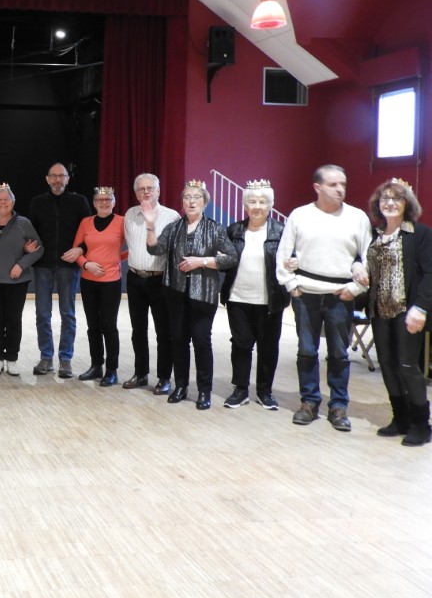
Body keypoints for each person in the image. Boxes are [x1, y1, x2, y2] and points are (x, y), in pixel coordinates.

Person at [276, 164, 371, 432]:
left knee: (339, 353)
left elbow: (369, 257)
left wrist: (355, 289)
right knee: (307, 350)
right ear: (317, 187)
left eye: (343, 184)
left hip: (340, 295)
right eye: (333, 184)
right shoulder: (300, 215)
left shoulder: (357, 217)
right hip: (306, 294)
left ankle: (338, 405)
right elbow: (283, 253)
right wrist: (291, 284)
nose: (340, 189)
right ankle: (309, 402)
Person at [146, 180, 237, 410]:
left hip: (203, 294)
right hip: (175, 292)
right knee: (178, 340)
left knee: (201, 341)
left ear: (205, 202)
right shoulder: (173, 228)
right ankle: (181, 386)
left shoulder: (215, 228)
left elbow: (231, 258)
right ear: (182, 203)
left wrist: (202, 261)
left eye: (197, 197)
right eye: (187, 197)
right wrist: (150, 226)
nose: (191, 201)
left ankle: (204, 391)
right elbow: (154, 249)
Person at [364, 178, 432, 446]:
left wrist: (421, 308)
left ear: (407, 204)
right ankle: (400, 418)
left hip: (409, 311)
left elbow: (430, 273)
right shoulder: (375, 234)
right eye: (385, 198)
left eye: (397, 198)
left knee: (407, 366)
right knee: (388, 365)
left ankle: (421, 424)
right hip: (379, 311)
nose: (390, 203)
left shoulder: (420, 233)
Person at [219, 180, 289, 410]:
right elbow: (226, 261)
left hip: (270, 299)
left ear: (270, 205)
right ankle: (240, 389)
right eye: (252, 201)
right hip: (238, 297)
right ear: (245, 205)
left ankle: (265, 391)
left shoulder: (282, 231)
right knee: (241, 344)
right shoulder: (234, 230)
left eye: (262, 201)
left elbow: (291, 260)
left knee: (268, 346)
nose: (257, 206)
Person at [28, 163, 91, 379]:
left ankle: (65, 359)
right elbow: (31, 232)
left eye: (61, 176)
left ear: (67, 179)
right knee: (42, 314)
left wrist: (80, 249)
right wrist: (28, 246)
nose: (57, 180)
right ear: (47, 179)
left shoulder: (80, 202)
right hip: (42, 265)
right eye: (53, 176)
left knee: (68, 314)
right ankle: (46, 357)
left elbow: (88, 233)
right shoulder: (37, 202)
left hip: (68, 266)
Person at [0, 183, 42, 376]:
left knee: (13, 320)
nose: (3, 202)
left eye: (6, 199)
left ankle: (11, 358)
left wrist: (21, 264)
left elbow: (38, 249)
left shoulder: (24, 223)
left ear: (13, 202)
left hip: (16, 282)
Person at [122, 173, 180, 393]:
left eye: (150, 188)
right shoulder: (130, 214)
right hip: (135, 278)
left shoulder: (171, 216)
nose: (146, 192)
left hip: (160, 279)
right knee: (138, 330)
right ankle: (140, 374)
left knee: (164, 331)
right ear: (136, 193)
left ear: (158, 191)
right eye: (141, 189)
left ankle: (164, 377)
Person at [72, 186, 126, 387]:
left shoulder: (121, 222)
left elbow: (134, 247)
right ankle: (96, 365)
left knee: (109, 326)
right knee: (93, 325)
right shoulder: (86, 222)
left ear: (114, 202)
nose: (104, 202)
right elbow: (76, 249)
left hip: (111, 281)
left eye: (108, 199)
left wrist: (116, 260)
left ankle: (112, 370)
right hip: (88, 280)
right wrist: (86, 264)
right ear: (94, 203)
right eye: (100, 199)